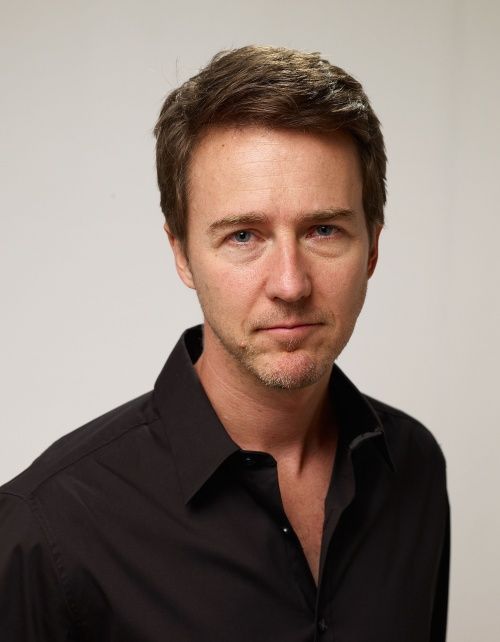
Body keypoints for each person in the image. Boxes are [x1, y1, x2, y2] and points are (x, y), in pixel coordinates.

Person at [0, 46, 449, 641]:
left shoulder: (414, 467)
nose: (290, 284)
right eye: (243, 235)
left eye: (323, 230)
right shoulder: (46, 529)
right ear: (183, 254)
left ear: (372, 248)